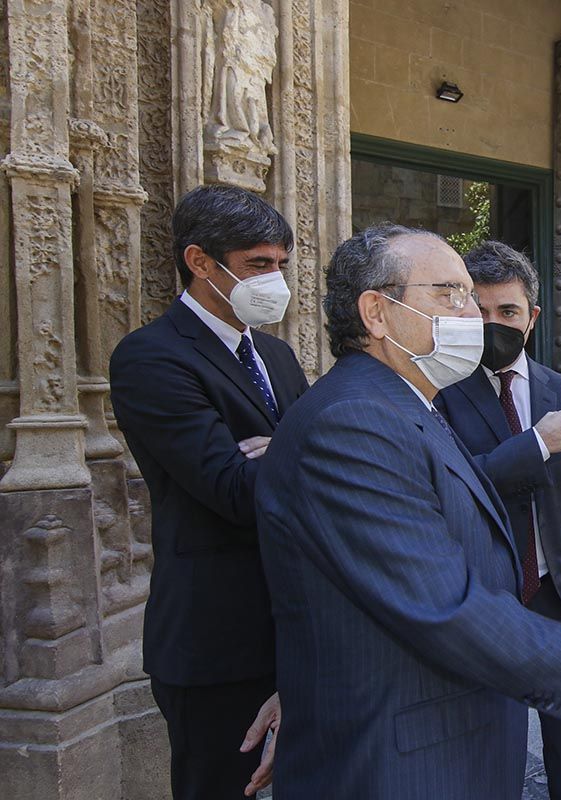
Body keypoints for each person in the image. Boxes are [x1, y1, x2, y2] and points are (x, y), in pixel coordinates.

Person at [253, 225, 561, 799]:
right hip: (403, 762)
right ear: (377, 313)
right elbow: (439, 604)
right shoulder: (355, 421)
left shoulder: (405, 402)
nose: (473, 315)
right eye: (451, 294)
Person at [109, 185, 309, 799]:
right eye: (257, 265)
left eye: (280, 264)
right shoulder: (151, 358)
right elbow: (233, 488)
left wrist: (289, 451)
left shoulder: (275, 353)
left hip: (297, 626)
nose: (274, 279)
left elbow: (303, 459)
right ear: (200, 262)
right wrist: (305, 452)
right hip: (216, 643)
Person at [435, 241, 561, 800]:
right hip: (488, 600)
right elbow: (451, 488)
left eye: (506, 312)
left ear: (531, 318)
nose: (492, 325)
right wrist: (535, 444)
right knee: (493, 749)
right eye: (477, 311)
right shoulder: (438, 394)